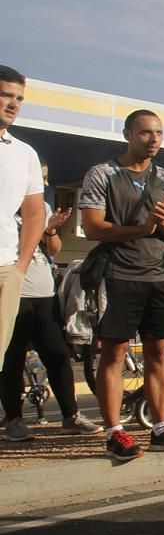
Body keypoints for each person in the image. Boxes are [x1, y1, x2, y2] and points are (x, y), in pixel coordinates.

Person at [79, 109, 164, 461]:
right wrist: (141, 229)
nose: (154, 139)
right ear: (128, 134)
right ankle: (115, 433)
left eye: (159, 133)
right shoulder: (102, 174)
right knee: (113, 354)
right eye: (146, 133)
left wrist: (160, 224)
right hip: (118, 274)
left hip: (160, 276)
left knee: (158, 353)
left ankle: (161, 428)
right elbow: (94, 228)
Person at [2, 167, 100, 440]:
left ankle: (71, 416)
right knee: (13, 358)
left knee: (57, 355)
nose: (44, 182)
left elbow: (53, 249)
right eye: (39, 177)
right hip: (14, 292)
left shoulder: (42, 206)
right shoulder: (6, 203)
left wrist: (51, 230)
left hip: (44, 293)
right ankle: (13, 420)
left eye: (45, 178)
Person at [0, 65, 46, 376]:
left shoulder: (24, 153)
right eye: (5, 95)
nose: (13, 103)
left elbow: (34, 213)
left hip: (6, 269)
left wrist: (21, 265)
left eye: (19, 98)